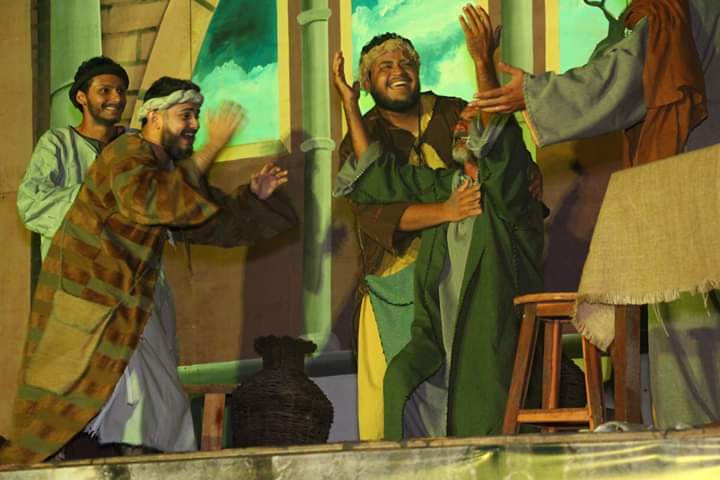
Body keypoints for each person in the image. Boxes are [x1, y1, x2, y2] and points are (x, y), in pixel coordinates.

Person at [1, 76, 296, 465]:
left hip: (129, 317)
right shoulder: (125, 152)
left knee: (156, 414)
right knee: (62, 423)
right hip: (90, 314)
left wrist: (253, 197)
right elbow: (151, 201)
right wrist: (211, 149)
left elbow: (205, 219)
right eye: (185, 115)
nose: (194, 124)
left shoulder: (167, 171)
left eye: (197, 116)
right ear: (154, 117)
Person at [472, 0, 720, 429]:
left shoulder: (678, 8)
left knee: (682, 315)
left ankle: (693, 445)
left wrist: (538, 95)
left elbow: (637, 68)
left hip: (695, 182)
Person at [333, 5, 543, 439]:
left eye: (406, 62)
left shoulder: (454, 115)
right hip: (405, 291)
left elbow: (499, 148)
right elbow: (377, 192)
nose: (399, 70)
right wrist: (447, 211)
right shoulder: (369, 142)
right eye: (385, 66)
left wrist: (483, 64)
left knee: (478, 397)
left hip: (480, 291)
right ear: (367, 83)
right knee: (401, 397)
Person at [18, 56, 129, 260]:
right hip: (74, 272)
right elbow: (31, 204)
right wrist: (95, 197)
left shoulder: (135, 143)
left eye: (121, 91)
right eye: (105, 90)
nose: (117, 98)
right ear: (81, 98)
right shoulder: (57, 143)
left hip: (131, 272)